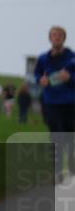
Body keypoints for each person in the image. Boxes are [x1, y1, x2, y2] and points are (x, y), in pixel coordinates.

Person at [34, 26, 75, 182]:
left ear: (64, 38)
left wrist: (69, 78)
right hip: (50, 102)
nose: (56, 37)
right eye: (53, 35)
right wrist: (41, 80)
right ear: (50, 38)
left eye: (59, 35)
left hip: (70, 102)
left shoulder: (71, 58)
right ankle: (57, 172)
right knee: (56, 136)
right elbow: (37, 74)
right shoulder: (43, 58)